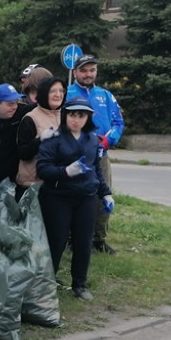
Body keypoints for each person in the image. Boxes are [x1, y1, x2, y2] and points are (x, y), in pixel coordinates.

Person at [36, 96, 114, 301]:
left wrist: (105, 193)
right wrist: (65, 172)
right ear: (65, 115)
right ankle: (48, 282)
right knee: (57, 241)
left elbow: (96, 168)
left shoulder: (92, 139)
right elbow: (43, 169)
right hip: (58, 197)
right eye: (72, 114)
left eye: (81, 115)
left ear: (88, 117)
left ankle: (79, 284)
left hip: (86, 197)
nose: (76, 120)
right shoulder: (54, 139)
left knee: (83, 241)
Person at [67, 54, 125, 254]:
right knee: (75, 195)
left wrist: (109, 140)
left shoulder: (106, 95)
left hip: (101, 155)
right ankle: (72, 238)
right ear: (75, 72)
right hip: (75, 155)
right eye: (84, 70)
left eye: (92, 70)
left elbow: (118, 122)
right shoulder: (67, 93)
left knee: (103, 194)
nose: (88, 74)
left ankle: (99, 238)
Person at [16, 76, 66, 199]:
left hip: (60, 184)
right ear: (44, 93)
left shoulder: (67, 115)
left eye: (61, 91)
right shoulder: (30, 118)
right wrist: (40, 140)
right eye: (53, 91)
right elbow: (22, 153)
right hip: (33, 186)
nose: (58, 95)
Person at [0, 83, 26, 192]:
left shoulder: (22, 113)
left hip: (13, 181)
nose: (14, 107)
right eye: (10, 104)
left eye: (16, 103)